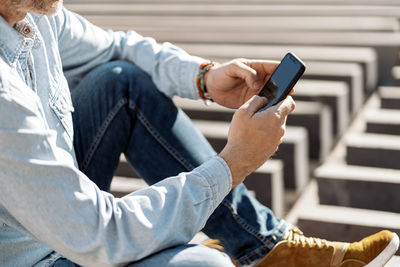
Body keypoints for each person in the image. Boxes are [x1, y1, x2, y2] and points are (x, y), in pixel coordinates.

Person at [0, 0, 398, 266]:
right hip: (42, 256)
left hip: (57, 219)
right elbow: (101, 232)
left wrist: (205, 78)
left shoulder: (35, 14)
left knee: (120, 81)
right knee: (206, 264)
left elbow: (116, 48)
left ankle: (265, 248)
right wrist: (232, 164)